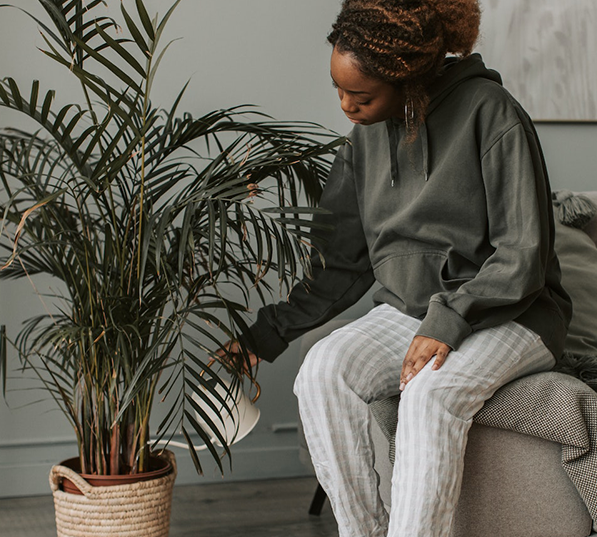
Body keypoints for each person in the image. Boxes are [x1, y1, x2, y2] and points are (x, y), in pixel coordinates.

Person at [219, 0, 572, 535]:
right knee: (321, 371)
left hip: (513, 314)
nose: (344, 106)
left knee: (428, 392)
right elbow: (339, 264)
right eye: (338, 89)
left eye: (358, 96)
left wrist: (450, 320)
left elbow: (523, 255)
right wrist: (262, 337)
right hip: (412, 309)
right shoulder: (364, 140)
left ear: (407, 79)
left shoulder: (491, 112)